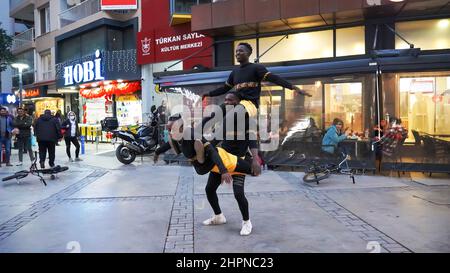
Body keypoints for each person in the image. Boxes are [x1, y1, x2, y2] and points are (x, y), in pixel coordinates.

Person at [201, 42, 311, 145]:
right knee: (215, 114)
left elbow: (274, 78)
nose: (237, 53)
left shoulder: (256, 68)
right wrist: (209, 94)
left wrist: (293, 87)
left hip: (250, 104)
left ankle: (211, 144)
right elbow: (225, 88)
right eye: (236, 51)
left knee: (228, 118)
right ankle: (195, 134)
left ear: (248, 53)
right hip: (237, 102)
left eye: (241, 51)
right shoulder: (234, 72)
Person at [201, 92, 261, 236]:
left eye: (231, 100)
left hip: (239, 161)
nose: (227, 103)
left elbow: (252, 141)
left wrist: (255, 158)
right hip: (223, 159)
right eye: (225, 100)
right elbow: (215, 140)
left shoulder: (248, 120)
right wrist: (205, 149)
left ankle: (247, 222)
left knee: (238, 193)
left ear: (238, 103)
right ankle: (218, 216)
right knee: (209, 189)